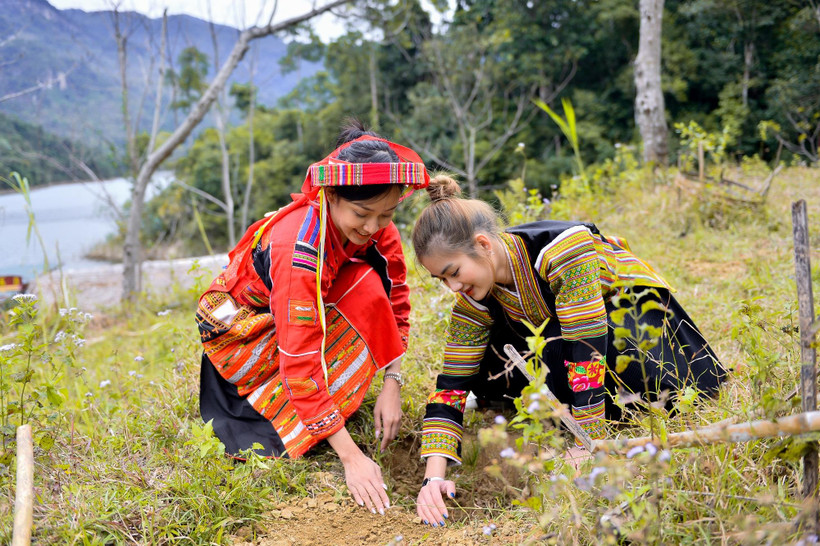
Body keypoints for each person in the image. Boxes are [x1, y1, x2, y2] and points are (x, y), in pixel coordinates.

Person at [411, 175, 727, 527]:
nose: (453, 286)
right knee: (481, 359)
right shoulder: (471, 296)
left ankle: (593, 414)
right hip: (566, 345)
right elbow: (451, 383)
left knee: (645, 389)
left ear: (483, 244)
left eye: (453, 272)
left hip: (632, 330)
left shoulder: (562, 250)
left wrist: (587, 441)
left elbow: (588, 351)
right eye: (441, 280)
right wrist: (433, 477)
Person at [195, 121, 429, 515]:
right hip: (247, 336)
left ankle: (326, 409)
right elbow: (300, 358)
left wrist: (393, 382)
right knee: (361, 291)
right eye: (362, 213)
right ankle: (291, 416)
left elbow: (396, 300)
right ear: (331, 196)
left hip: (298, 315)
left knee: (370, 288)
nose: (373, 227)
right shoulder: (299, 248)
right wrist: (352, 458)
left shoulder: (376, 225)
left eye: (386, 214)